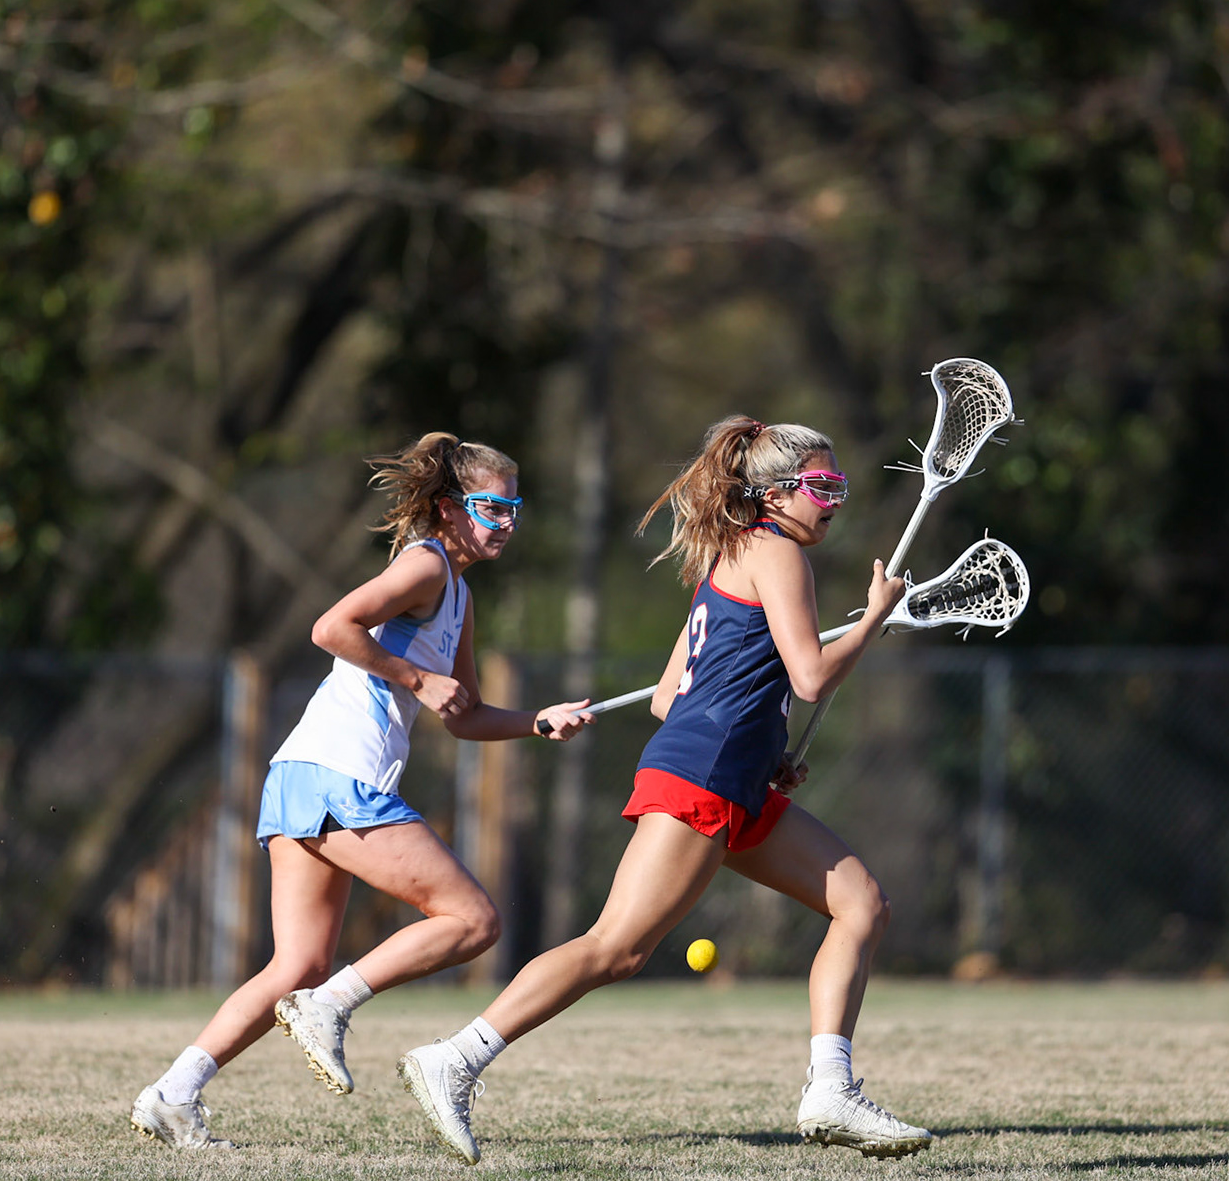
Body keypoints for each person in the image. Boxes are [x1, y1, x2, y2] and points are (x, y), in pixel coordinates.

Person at [397, 416, 933, 1163]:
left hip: (732, 774)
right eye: (821, 486)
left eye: (838, 484)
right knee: (614, 948)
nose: (833, 500)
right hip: (705, 774)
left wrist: (765, 746)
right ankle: (455, 1057)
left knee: (860, 903)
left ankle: (830, 1090)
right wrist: (875, 617)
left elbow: (670, 695)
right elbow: (810, 676)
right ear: (776, 495)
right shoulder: (777, 553)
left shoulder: (734, 551)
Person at [129, 433, 594, 1149]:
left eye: (514, 509)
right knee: (472, 921)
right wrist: (414, 678)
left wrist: (538, 721)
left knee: (297, 965)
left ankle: (173, 1094)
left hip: (306, 773)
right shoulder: (425, 564)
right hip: (338, 775)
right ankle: (331, 1006)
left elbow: (463, 715)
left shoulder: (459, 596)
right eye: (491, 508)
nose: (505, 522)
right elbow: (330, 627)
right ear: (449, 508)